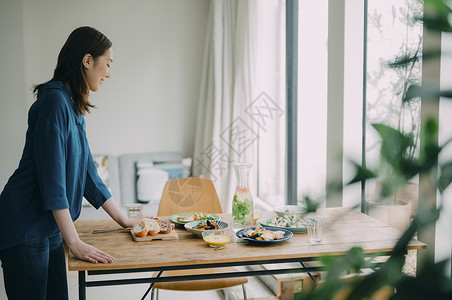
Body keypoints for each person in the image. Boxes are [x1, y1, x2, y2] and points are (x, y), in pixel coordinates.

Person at [0, 26, 142, 300]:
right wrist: (74, 240)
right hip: (26, 225)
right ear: (87, 60)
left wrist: (123, 219)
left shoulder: (71, 105)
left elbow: (89, 174)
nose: (109, 73)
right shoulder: (54, 103)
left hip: (49, 224)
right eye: (108, 64)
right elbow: (53, 181)